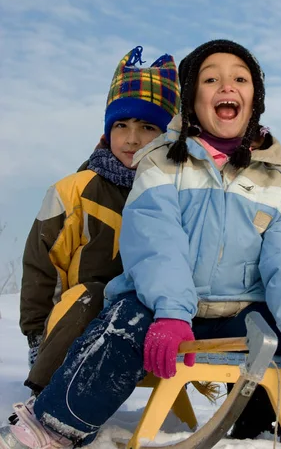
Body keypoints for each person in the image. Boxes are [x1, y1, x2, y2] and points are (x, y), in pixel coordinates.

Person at [0, 39, 281, 449]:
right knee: (125, 320)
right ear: (193, 98)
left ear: (255, 99)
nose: (226, 86)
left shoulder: (279, 178)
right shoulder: (162, 162)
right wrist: (172, 311)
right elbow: (157, 242)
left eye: (239, 79)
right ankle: (57, 423)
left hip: (242, 311)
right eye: (211, 79)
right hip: (167, 310)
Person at [18, 46, 180, 395]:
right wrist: (36, 333)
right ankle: (47, 400)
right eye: (121, 125)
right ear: (108, 131)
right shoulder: (74, 191)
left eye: (148, 126)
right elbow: (42, 265)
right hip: (81, 320)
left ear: (168, 134)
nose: (132, 138)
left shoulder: (181, 192)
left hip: (153, 320)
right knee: (91, 294)